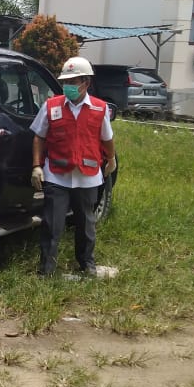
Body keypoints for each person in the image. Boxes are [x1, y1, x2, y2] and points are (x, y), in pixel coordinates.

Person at [30, 56, 116, 277]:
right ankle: (46, 269)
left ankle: (87, 264)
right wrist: (37, 166)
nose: (68, 86)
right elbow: (39, 137)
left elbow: (107, 138)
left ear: (85, 83)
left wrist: (111, 159)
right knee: (52, 225)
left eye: (73, 82)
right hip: (57, 175)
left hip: (87, 176)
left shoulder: (99, 108)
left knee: (86, 225)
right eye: (66, 82)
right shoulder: (51, 106)